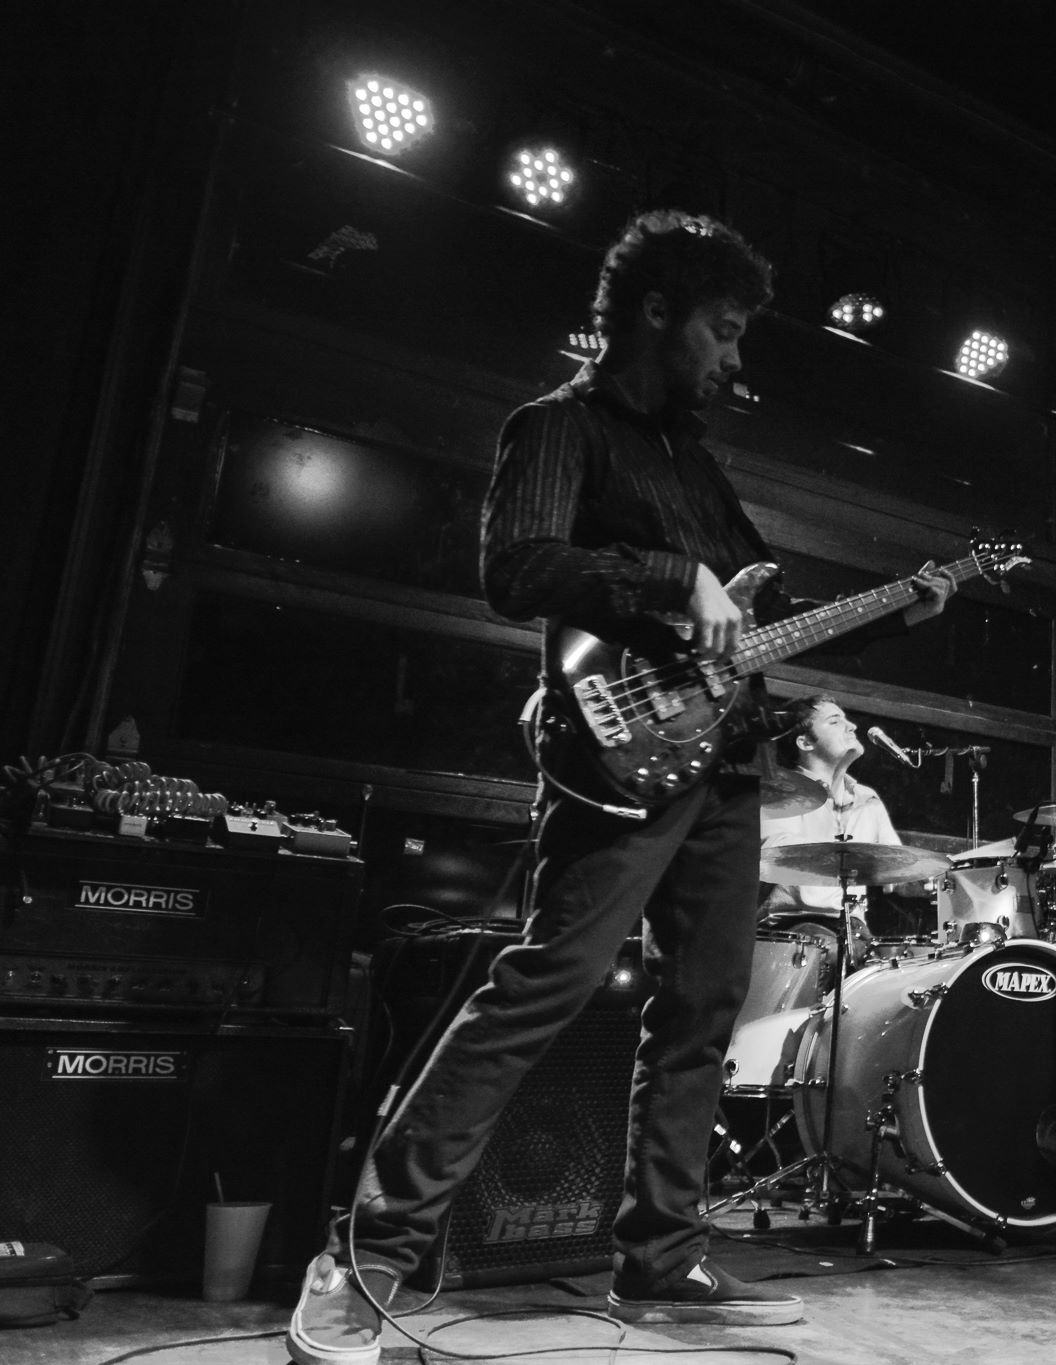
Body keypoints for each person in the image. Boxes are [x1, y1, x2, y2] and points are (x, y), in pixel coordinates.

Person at [287, 210, 954, 1365]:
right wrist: (671, 573)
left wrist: (901, 608)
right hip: (614, 755)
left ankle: (662, 1257)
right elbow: (517, 568)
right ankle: (365, 1257)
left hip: (722, 767)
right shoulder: (559, 425)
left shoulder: (695, 464)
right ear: (656, 312)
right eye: (723, 330)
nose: (734, 357)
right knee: (546, 982)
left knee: (701, 1010)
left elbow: (754, 625)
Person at [757, 694, 905, 970]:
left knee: (903, 971)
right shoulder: (781, 793)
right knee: (840, 955)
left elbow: (899, 869)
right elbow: (780, 856)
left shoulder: (867, 798)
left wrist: (948, 876)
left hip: (854, 929)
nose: (852, 727)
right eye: (835, 721)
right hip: (795, 926)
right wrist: (843, 856)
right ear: (805, 742)